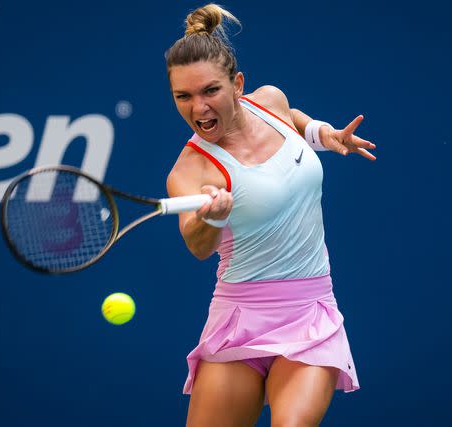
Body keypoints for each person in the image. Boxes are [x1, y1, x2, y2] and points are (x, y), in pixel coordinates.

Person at [165, 4, 375, 426]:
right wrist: (213, 218)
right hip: (237, 321)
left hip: (309, 313)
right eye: (183, 96)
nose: (198, 107)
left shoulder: (270, 101)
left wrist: (322, 133)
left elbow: (291, 122)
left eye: (210, 91)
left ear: (238, 85)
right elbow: (197, 245)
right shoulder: (191, 170)